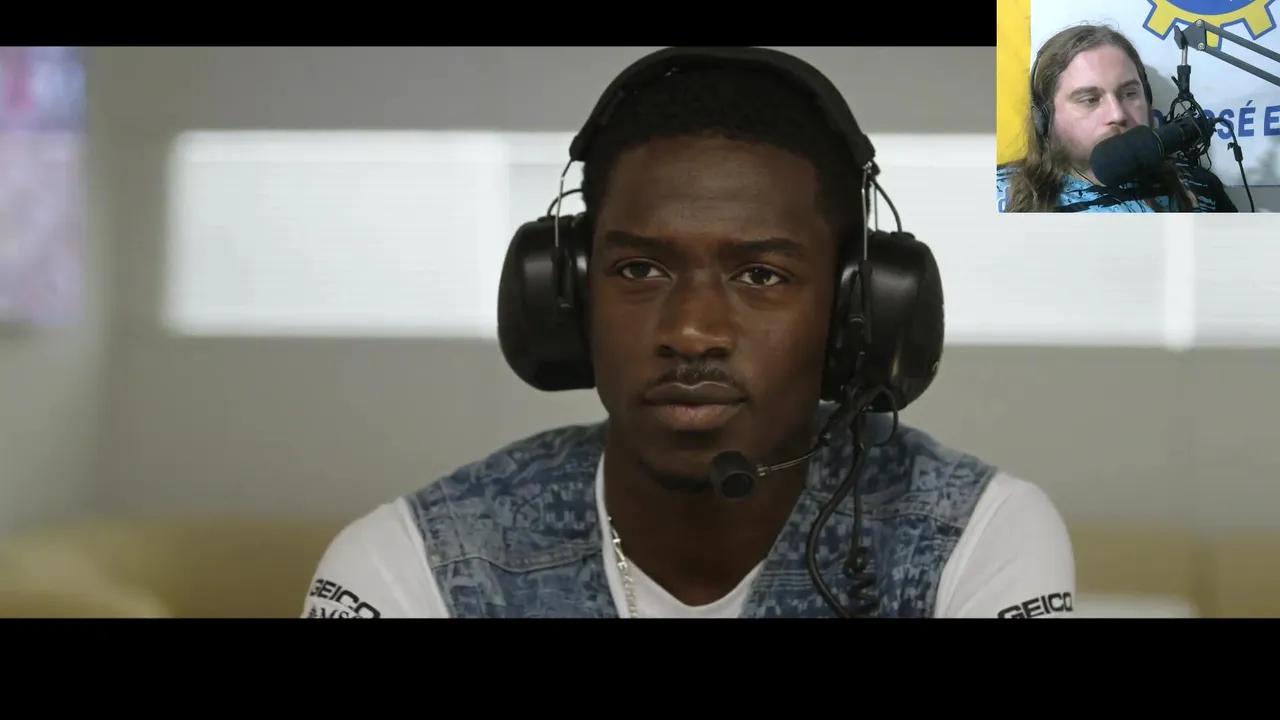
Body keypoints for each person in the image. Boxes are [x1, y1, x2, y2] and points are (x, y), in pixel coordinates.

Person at [302, 47, 1076, 619]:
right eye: (640, 269)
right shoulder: (416, 563)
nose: (693, 332)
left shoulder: (975, 536)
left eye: (761, 275)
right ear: (566, 297)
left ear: (858, 311)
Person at [997, 24, 1236, 213]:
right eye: (1090, 99)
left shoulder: (1200, 188)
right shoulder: (995, 194)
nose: (1118, 114)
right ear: (1044, 118)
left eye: (1129, 94)